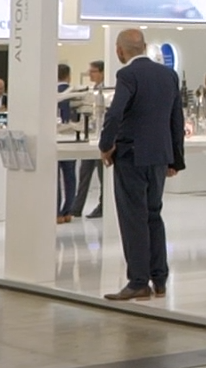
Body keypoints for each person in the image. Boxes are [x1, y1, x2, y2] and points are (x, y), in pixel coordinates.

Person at [99, 30, 184, 302]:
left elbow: (115, 113)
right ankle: (159, 280)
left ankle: (138, 281)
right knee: (153, 214)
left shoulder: (127, 75)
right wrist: (175, 159)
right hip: (159, 156)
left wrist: (105, 144)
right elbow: (176, 119)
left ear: (119, 50)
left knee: (133, 218)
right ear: (145, 47)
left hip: (132, 155)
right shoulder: (168, 75)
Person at [66, 61, 108, 220]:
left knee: (102, 175)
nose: (90, 74)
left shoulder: (107, 91)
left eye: (93, 71)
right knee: (84, 173)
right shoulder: (91, 91)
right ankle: (76, 207)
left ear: (102, 72)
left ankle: (103, 206)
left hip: (101, 137)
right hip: (90, 136)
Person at [56, 63, 77, 224]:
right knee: (70, 176)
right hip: (72, 137)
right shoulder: (75, 94)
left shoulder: (51, 93)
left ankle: (56, 212)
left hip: (55, 139)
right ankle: (68, 211)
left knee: (54, 177)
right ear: (68, 76)